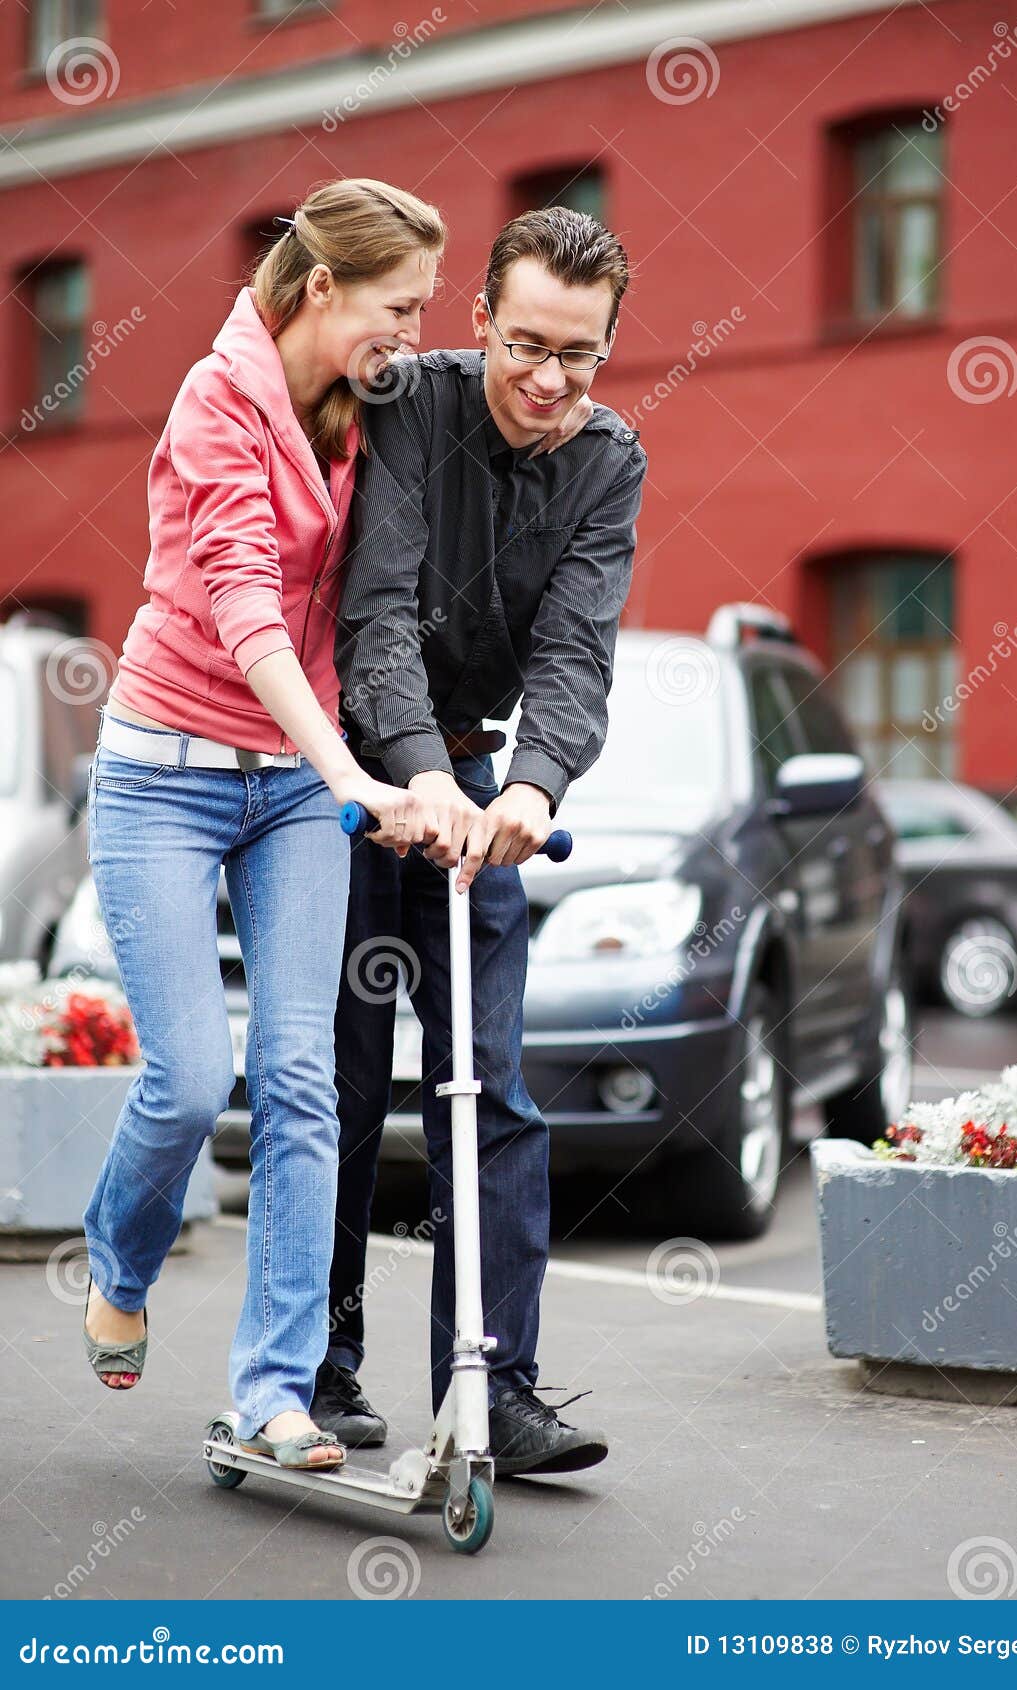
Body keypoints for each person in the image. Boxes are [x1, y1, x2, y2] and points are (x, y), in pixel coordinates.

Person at [80, 178, 449, 1470]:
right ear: (319, 290)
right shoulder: (211, 402)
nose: (412, 330)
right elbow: (242, 607)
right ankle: (117, 1263)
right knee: (186, 1080)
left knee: (299, 1077)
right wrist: (348, 769)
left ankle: (273, 1390)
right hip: (166, 772)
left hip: (294, 785)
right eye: (396, 306)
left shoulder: (371, 402)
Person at [315, 206, 648, 1477]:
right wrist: (415, 779)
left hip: (477, 782)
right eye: (525, 346)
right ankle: (321, 1371)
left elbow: (575, 650)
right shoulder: (412, 402)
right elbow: (377, 611)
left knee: (492, 1091)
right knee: (343, 1081)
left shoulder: (607, 458)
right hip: (356, 772)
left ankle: (494, 1389)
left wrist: (533, 789)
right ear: (480, 323)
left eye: (580, 353)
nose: (549, 380)